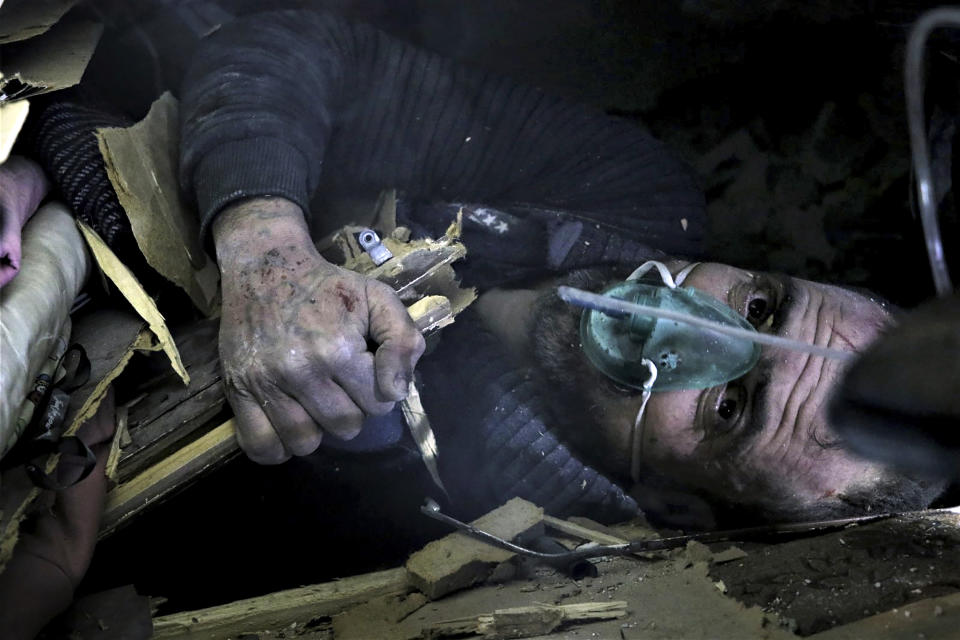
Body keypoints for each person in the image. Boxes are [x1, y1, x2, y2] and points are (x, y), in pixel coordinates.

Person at [178, 8, 945, 524]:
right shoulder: (633, 195)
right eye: (760, 309)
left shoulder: (473, 531)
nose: (686, 325)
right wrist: (265, 247)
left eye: (731, 407)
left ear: (680, 505)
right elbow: (299, 51)